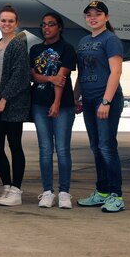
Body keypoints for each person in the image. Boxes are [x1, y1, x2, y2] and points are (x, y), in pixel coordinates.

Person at [74, 0, 126, 213]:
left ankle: (116, 195)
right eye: (89, 14)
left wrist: (106, 101)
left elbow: (116, 72)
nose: (93, 17)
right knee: (96, 147)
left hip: (105, 100)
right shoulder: (84, 41)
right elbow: (82, 73)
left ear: (106, 17)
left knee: (106, 146)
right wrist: (74, 97)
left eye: (97, 13)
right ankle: (102, 192)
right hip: (87, 100)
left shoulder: (111, 40)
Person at [30, 12, 77, 209]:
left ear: (59, 28)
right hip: (39, 104)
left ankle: (64, 192)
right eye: (44, 24)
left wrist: (56, 103)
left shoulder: (66, 49)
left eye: (51, 24)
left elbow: (62, 78)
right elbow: (33, 76)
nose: (46, 28)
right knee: (45, 150)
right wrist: (48, 79)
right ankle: (48, 191)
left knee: (63, 150)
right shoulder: (35, 49)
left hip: (63, 105)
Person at [0, 5, 31, 207]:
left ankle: (16, 190)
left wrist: (4, 99)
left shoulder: (18, 44)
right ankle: (6, 187)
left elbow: (20, 76)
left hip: (12, 106)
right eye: (3, 20)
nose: (6, 24)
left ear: (16, 24)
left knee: (14, 146)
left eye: (11, 21)